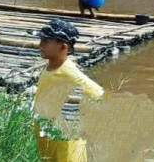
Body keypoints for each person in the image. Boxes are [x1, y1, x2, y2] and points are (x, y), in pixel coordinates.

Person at [34, 19, 104, 159]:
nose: (40, 45)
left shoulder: (68, 71)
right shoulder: (52, 65)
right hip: (48, 130)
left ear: (63, 47)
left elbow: (99, 95)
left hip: (65, 141)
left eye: (45, 41)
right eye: (41, 40)